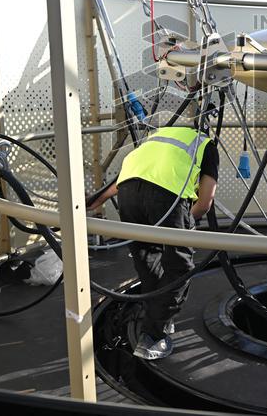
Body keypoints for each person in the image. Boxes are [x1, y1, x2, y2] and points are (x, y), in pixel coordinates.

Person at [90, 125, 219, 361]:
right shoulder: (205, 145)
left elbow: (118, 183)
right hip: (167, 195)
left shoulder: (158, 137)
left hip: (128, 195)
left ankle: (157, 317)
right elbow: (205, 202)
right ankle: (153, 337)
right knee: (178, 268)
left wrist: (86, 205)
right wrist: (187, 225)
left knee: (147, 259)